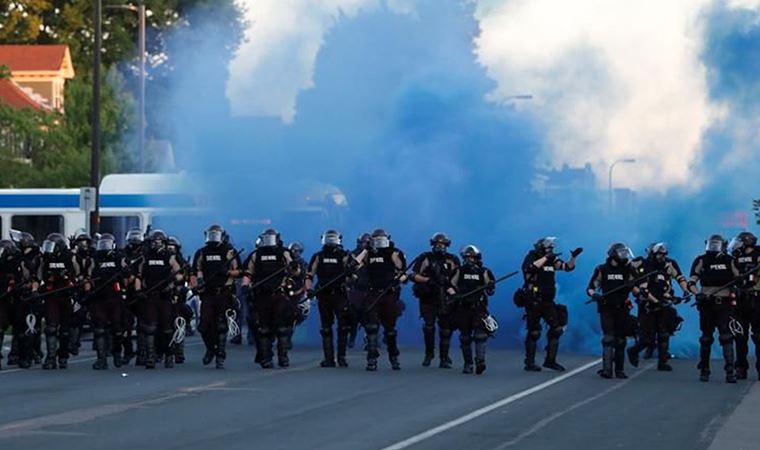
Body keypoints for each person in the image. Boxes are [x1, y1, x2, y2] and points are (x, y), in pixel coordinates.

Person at [520, 237, 581, 372]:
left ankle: (550, 361)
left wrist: (573, 257)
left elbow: (567, 268)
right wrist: (546, 258)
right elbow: (530, 268)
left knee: (556, 329)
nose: (551, 250)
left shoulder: (552, 260)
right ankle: (529, 362)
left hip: (548, 300)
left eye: (552, 248)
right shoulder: (531, 257)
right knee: (534, 331)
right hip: (534, 299)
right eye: (549, 248)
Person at [241, 229, 300, 368]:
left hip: (279, 294)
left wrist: (294, 267)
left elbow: (295, 272)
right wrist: (245, 285)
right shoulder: (256, 255)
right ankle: (266, 358)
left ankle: (283, 357)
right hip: (261, 296)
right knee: (263, 329)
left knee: (281, 328)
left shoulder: (284, 253)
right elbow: (248, 273)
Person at [626, 243, 689, 372]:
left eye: (664, 254)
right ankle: (633, 351)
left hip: (664, 301)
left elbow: (680, 277)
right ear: (652, 254)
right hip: (647, 305)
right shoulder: (642, 264)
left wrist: (685, 290)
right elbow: (634, 283)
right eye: (660, 254)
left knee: (664, 333)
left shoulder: (670, 264)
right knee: (647, 338)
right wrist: (652, 300)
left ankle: (662, 362)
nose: (662, 257)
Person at [689, 234, 741, 383]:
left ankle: (730, 371)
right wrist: (697, 293)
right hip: (706, 303)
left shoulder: (730, 261)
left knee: (726, 337)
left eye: (716, 244)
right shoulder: (701, 260)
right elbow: (691, 281)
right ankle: (704, 369)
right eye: (711, 244)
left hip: (724, 303)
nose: (713, 248)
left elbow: (740, 278)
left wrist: (737, 286)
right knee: (706, 338)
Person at [353, 229, 407, 371]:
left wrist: (393, 255)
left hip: (389, 294)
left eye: (381, 239)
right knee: (372, 327)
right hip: (372, 293)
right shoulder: (369, 253)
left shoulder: (394, 252)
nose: (379, 242)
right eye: (376, 239)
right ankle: (371, 359)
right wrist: (366, 250)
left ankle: (393, 357)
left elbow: (402, 269)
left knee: (389, 330)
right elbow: (354, 265)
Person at [190, 224, 241, 369]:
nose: (213, 238)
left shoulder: (230, 252)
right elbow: (195, 271)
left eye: (216, 235)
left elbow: (240, 271)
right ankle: (210, 349)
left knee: (221, 326)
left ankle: (220, 354)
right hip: (207, 293)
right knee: (204, 326)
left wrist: (228, 272)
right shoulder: (202, 252)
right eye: (211, 235)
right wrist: (196, 285)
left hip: (224, 293)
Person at [587, 243, 639, 379]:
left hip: (622, 308)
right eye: (621, 253)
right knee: (609, 338)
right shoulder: (602, 269)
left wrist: (639, 292)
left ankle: (620, 370)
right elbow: (591, 287)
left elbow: (636, 287)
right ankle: (607, 370)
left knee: (621, 340)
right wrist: (594, 295)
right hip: (607, 308)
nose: (624, 256)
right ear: (614, 254)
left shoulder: (628, 270)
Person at [135, 230, 185, 369]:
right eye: (154, 241)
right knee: (150, 328)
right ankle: (151, 357)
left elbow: (179, 275)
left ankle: (169, 356)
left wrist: (176, 281)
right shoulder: (145, 257)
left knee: (167, 329)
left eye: (159, 241)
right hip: (150, 296)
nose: (157, 244)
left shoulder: (170, 257)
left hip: (165, 296)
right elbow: (139, 275)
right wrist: (139, 290)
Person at [411, 233, 460, 368]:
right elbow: (414, 275)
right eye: (437, 244)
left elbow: (457, 279)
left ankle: (444, 358)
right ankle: (429, 353)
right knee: (429, 327)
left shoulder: (452, 260)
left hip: (445, 297)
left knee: (445, 329)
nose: (440, 247)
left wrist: (451, 290)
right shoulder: (425, 258)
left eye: (443, 244)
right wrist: (428, 280)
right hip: (429, 297)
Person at [305, 230, 353, 368]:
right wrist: (309, 289)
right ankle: (329, 358)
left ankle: (342, 357)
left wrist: (350, 275)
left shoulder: (344, 256)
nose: (330, 241)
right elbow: (309, 275)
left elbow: (353, 278)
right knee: (326, 328)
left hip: (340, 294)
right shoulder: (318, 256)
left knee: (343, 327)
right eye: (328, 239)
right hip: (324, 294)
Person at [448, 245, 495, 374]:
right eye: (467, 258)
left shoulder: (483, 271)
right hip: (463, 307)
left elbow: (490, 291)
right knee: (465, 337)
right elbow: (450, 284)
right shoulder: (460, 271)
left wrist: (490, 285)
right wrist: (454, 295)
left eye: (472, 257)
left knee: (481, 335)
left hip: (478, 307)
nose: (470, 260)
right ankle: (468, 363)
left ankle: (480, 361)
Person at [35, 233, 77, 370]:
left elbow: (75, 274)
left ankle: (63, 356)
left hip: (65, 295)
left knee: (65, 329)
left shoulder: (68, 257)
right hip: (50, 296)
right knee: (51, 327)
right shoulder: (45, 259)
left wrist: (65, 276)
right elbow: (39, 275)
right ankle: (51, 357)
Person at [89, 233, 129, 370]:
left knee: (117, 329)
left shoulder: (118, 257)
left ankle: (117, 354)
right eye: (102, 243)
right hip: (99, 297)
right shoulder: (95, 258)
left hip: (115, 297)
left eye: (107, 243)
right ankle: (101, 359)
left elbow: (127, 277)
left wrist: (125, 273)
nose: (104, 246)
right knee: (99, 329)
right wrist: (88, 292)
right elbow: (89, 277)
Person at [728, 232, 760, 380]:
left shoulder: (759, 255)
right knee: (740, 336)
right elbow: (733, 276)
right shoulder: (735, 258)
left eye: (740, 242)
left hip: (756, 299)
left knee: (758, 336)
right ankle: (741, 367)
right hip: (740, 300)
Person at [346, 233, 371, 349]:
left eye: (367, 242)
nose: (365, 244)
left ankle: (369, 340)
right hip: (355, 289)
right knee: (353, 316)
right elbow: (346, 269)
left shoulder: (373, 255)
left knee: (370, 317)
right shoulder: (351, 255)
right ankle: (352, 338)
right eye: (363, 242)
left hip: (369, 288)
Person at [0, 240, 21, 370]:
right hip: (2, 299)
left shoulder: (19, 263)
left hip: (17, 299)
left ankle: (16, 354)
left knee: (19, 327)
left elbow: (29, 277)